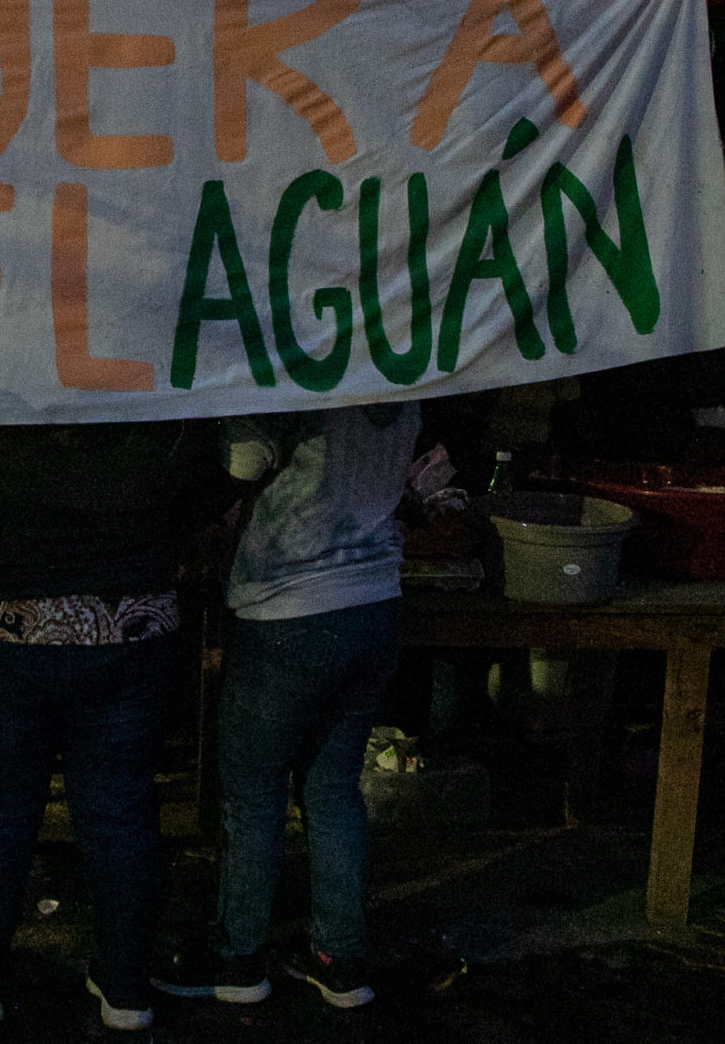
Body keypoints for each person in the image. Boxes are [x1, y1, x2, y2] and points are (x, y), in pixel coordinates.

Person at [0, 421, 222, 1034]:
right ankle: (126, 987)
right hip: (130, 619)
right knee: (120, 809)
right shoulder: (145, 359)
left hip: (2, 620)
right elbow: (202, 486)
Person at [154, 405, 416, 1012]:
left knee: (252, 793)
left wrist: (177, 516)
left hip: (290, 605)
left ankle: (238, 955)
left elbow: (246, 460)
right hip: (377, 598)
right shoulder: (404, 368)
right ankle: (339, 959)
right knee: (333, 790)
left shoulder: (298, 355)